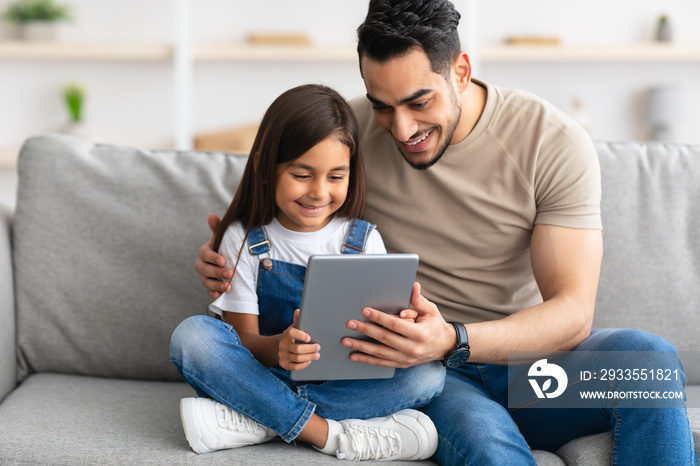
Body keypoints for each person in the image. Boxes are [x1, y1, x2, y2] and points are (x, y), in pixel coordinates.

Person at [195, 2, 697, 465]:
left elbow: (572, 314)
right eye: (383, 105)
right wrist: (224, 256)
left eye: (419, 102)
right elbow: (282, 206)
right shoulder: (349, 139)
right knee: (486, 441)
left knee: (647, 362)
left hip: (529, 373)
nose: (401, 128)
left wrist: (451, 339)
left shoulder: (551, 141)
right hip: (429, 380)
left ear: (461, 71)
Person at [170, 83, 445, 462]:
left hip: (340, 383)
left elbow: (381, 343)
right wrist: (278, 348)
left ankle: (260, 419)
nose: (318, 192)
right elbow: (244, 340)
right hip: (263, 375)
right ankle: (327, 434)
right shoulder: (246, 238)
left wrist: (398, 330)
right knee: (193, 337)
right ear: (265, 166)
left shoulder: (364, 241)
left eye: (335, 177)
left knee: (429, 372)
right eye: (302, 174)